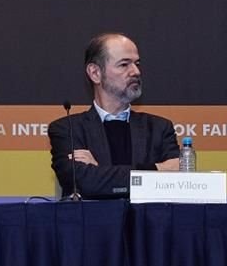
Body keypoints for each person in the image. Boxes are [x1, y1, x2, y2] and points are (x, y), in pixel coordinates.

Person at [48, 33, 180, 199]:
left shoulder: (159, 129)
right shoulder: (68, 129)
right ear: (95, 73)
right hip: (93, 223)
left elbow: (177, 182)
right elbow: (84, 183)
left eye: (137, 64)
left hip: (146, 223)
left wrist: (100, 171)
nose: (136, 71)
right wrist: (157, 169)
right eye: (124, 64)